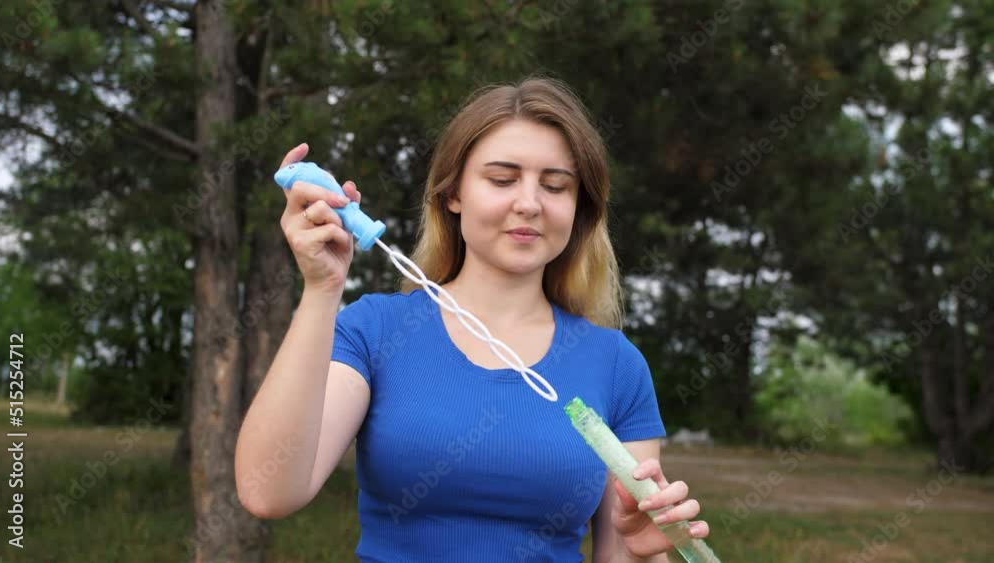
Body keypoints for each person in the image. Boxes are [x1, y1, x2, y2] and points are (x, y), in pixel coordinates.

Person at [236, 77, 710, 562]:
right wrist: (321, 289)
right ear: (452, 193)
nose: (529, 203)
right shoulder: (375, 331)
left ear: (578, 208)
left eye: (555, 185)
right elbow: (267, 492)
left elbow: (624, 552)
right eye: (502, 179)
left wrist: (645, 551)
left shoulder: (616, 367)